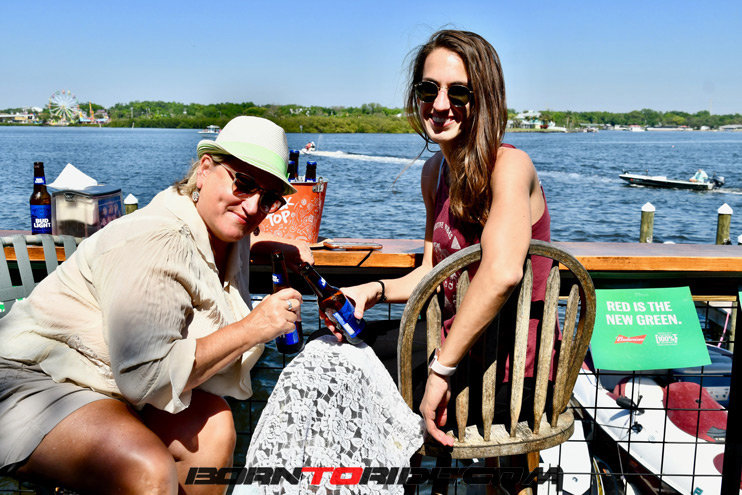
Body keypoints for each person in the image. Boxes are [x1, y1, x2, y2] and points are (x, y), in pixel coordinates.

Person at [0, 116, 313, 494]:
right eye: (244, 183)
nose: (252, 207)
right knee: (148, 471)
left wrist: (276, 247)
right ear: (205, 170)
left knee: (215, 428)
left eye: (268, 198)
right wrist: (254, 328)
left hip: (107, 380)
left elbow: (216, 251)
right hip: (36, 376)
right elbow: (146, 378)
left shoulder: (228, 229)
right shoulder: (155, 238)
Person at [336, 28, 555, 478]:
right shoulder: (435, 172)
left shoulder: (510, 166)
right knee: (333, 353)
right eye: (428, 90)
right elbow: (432, 273)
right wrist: (372, 290)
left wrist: (440, 370)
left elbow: (502, 273)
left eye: (458, 93)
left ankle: (381, 479)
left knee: (350, 380)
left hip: (513, 375)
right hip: (460, 353)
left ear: (485, 99)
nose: (439, 105)